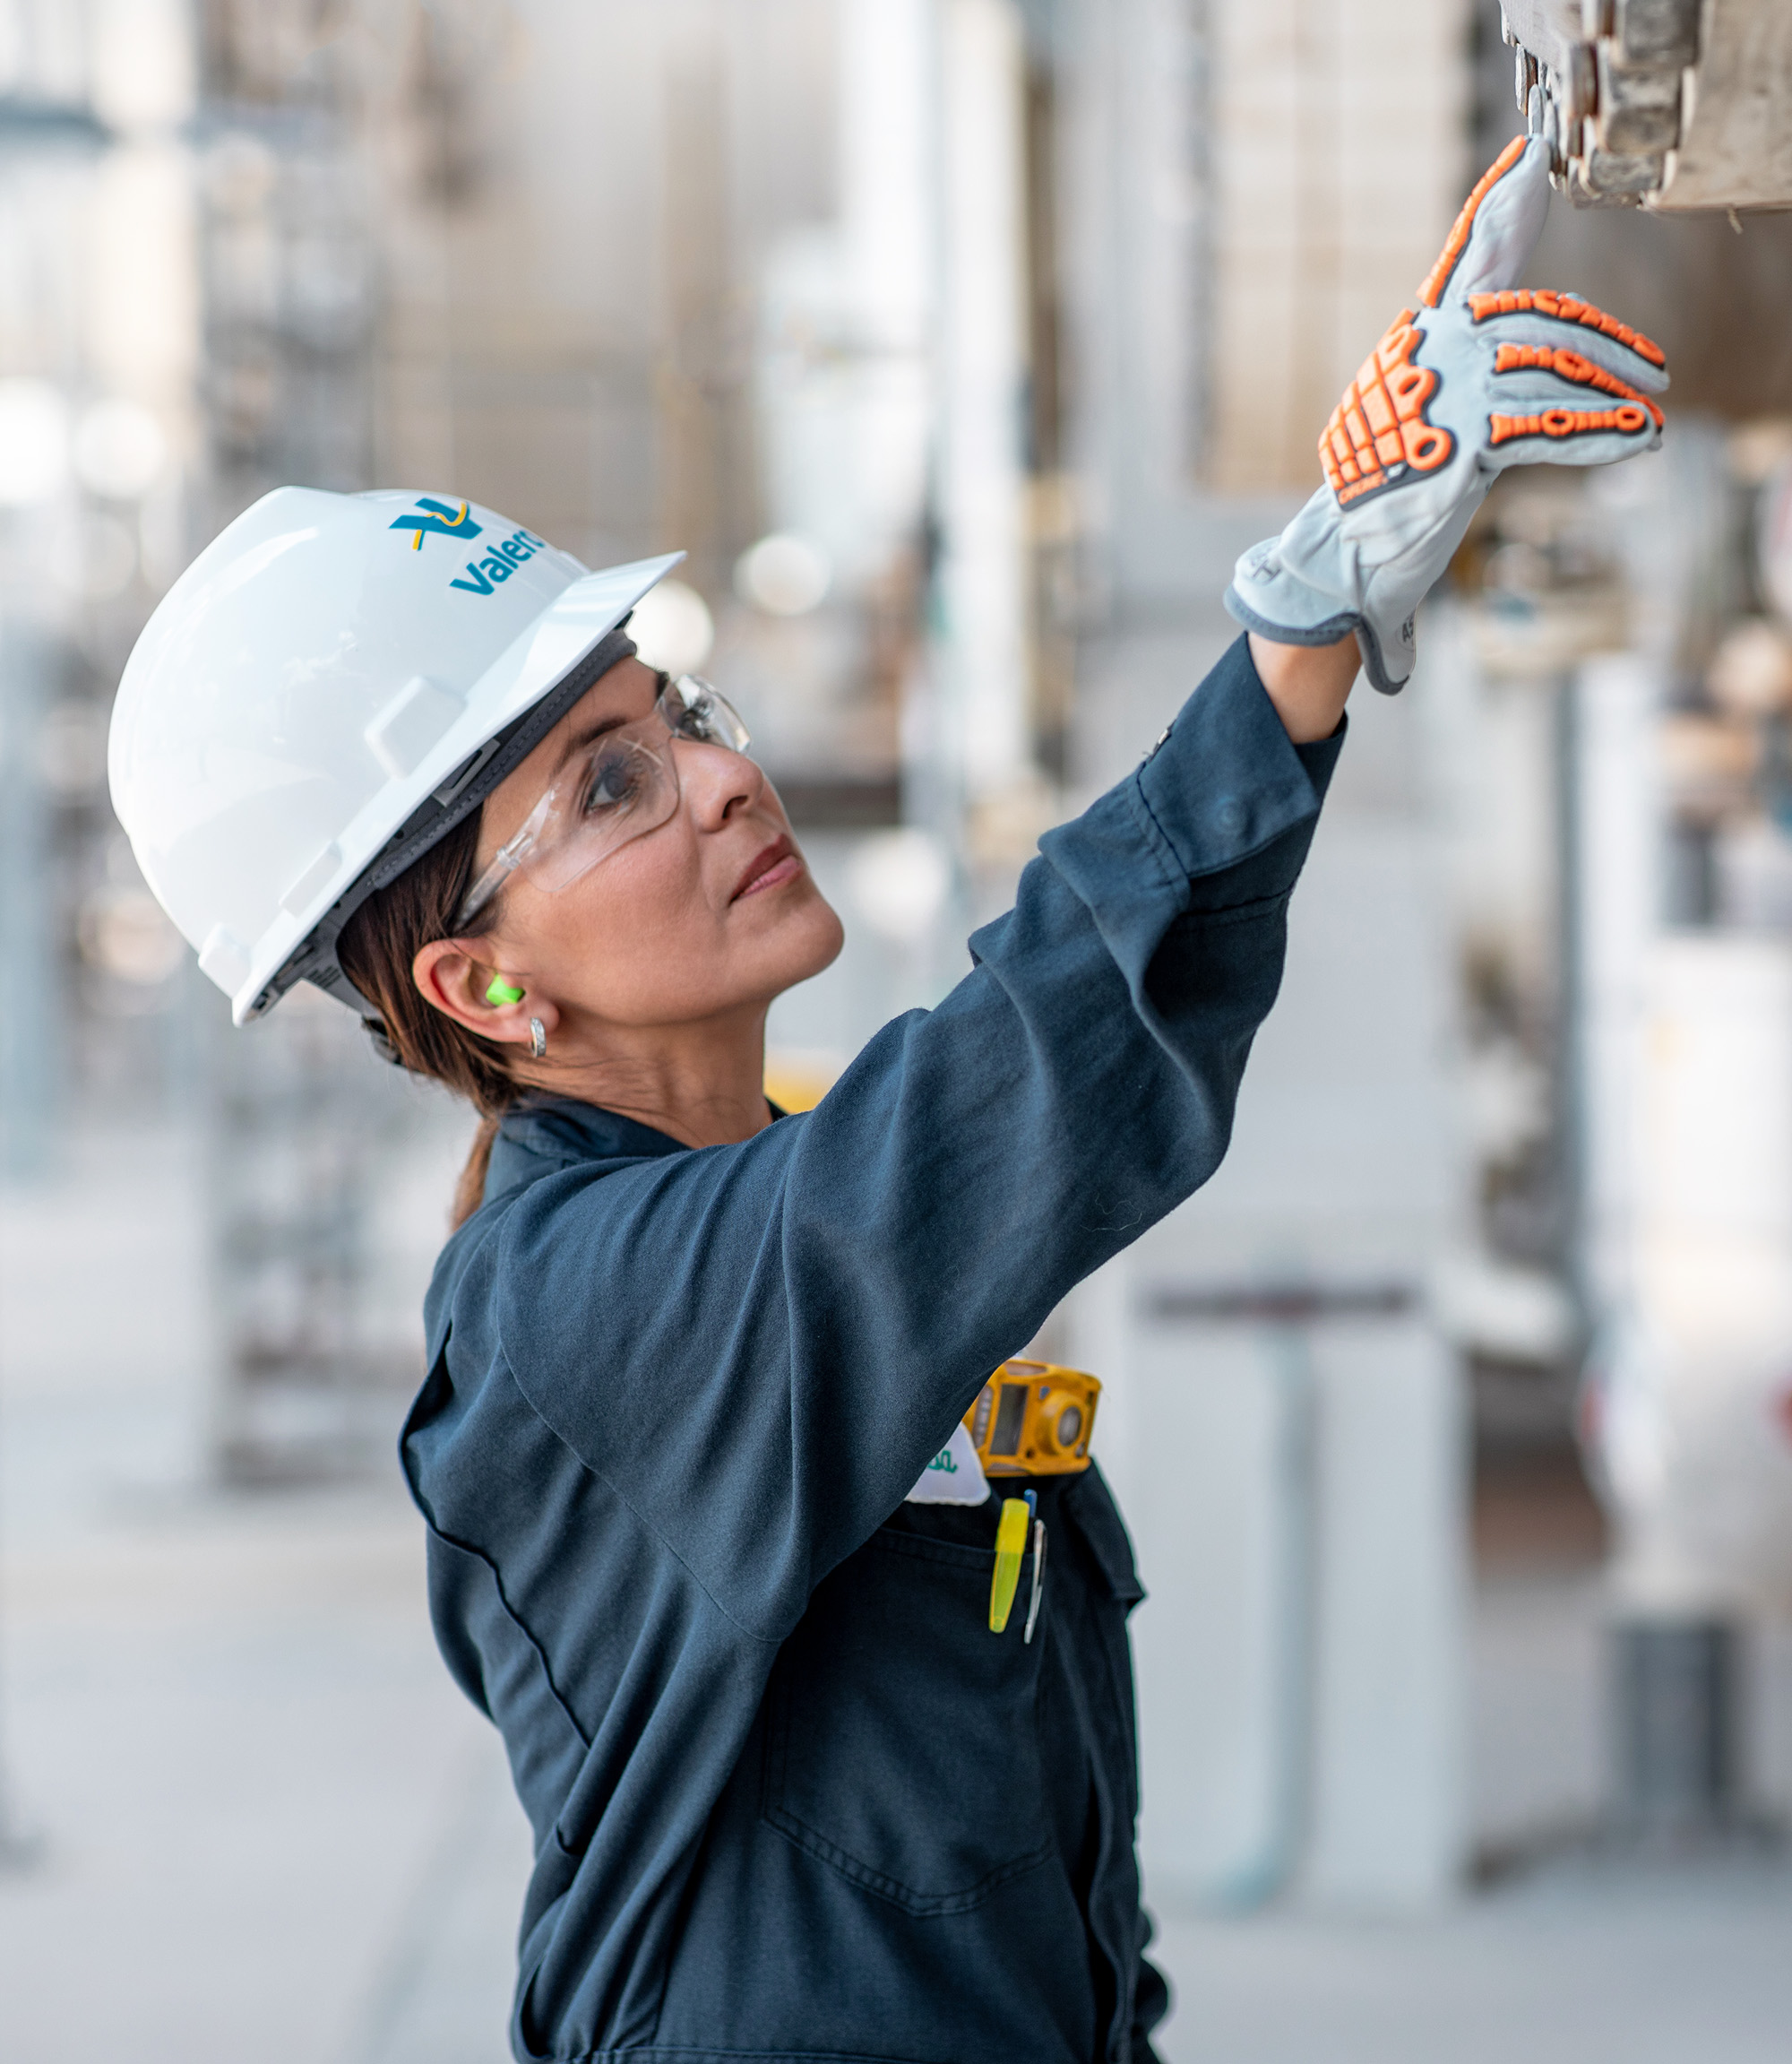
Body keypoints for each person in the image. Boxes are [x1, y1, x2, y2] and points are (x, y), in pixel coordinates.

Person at [110, 137, 1666, 2062]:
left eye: (667, 714)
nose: (715, 778)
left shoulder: (777, 1210)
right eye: (604, 787)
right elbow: (1009, 1094)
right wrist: (1289, 642)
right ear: (482, 987)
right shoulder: (576, 1316)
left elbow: (996, 1818)